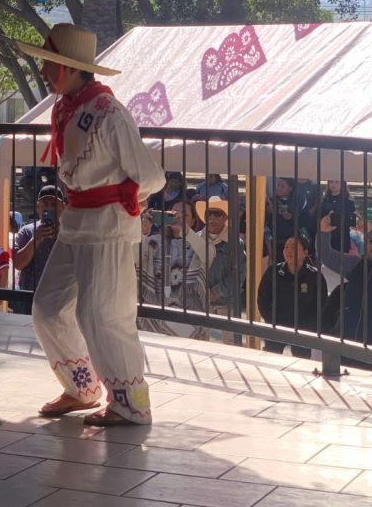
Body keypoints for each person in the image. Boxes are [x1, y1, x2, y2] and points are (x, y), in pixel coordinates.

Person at [18, 23, 166, 427]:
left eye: (50, 64)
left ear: (68, 68)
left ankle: (131, 402)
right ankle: (82, 387)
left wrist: (125, 200)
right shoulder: (66, 107)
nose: (45, 72)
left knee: (102, 315)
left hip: (108, 226)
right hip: (77, 220)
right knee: (48, 308)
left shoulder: (110, 113)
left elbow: (151, 176)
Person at [137, 201, 208, 340]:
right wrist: (142, 232)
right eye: (173, 214)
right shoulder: (152, 241)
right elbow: (135, 257)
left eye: (184, 215)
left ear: (193, 221)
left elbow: (209, 255)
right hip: (156, 314)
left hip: (190, 314)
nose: (178, 218)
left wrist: (186, 231)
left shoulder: (199, 242)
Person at [258, 232, 325, 358]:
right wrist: (270, 319)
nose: (288, 250)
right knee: (271, 361)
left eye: (294, 247)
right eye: (286, 247)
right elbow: (263, 299)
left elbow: (321, 306)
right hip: (276, 326)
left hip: (303, 329)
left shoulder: (315, 277)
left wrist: (308, 326)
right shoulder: (274, 272)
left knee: (301, 364)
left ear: (305, 252)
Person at [12, 185, 66, 314]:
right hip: (30, 297)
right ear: (38, 207)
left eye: (53, 204)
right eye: (45, 203)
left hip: (61, 297)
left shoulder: (71, 232)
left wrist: (61, 237)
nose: (49, 207)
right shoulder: (26, 231)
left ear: (63, 207)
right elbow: (18, 264)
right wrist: (35, 240)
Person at [194, 197, 246, 317]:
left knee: (228, 336)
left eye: (217, 213)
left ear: (226, 217)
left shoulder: (236, 243)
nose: (212, 217)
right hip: (198, 302)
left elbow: (239, 274)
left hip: (226, 304)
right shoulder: (194, 239)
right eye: (209, 213)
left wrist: (216, 292)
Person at [320, 180, 356, 252]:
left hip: (343, 235)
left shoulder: (348, 201)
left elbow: (352, 219)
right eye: (331, 182)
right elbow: (319, 218)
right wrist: (327, 217)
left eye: (336, 182)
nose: (333, 184)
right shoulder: (324, 200)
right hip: (327, 235)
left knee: (342, 260)